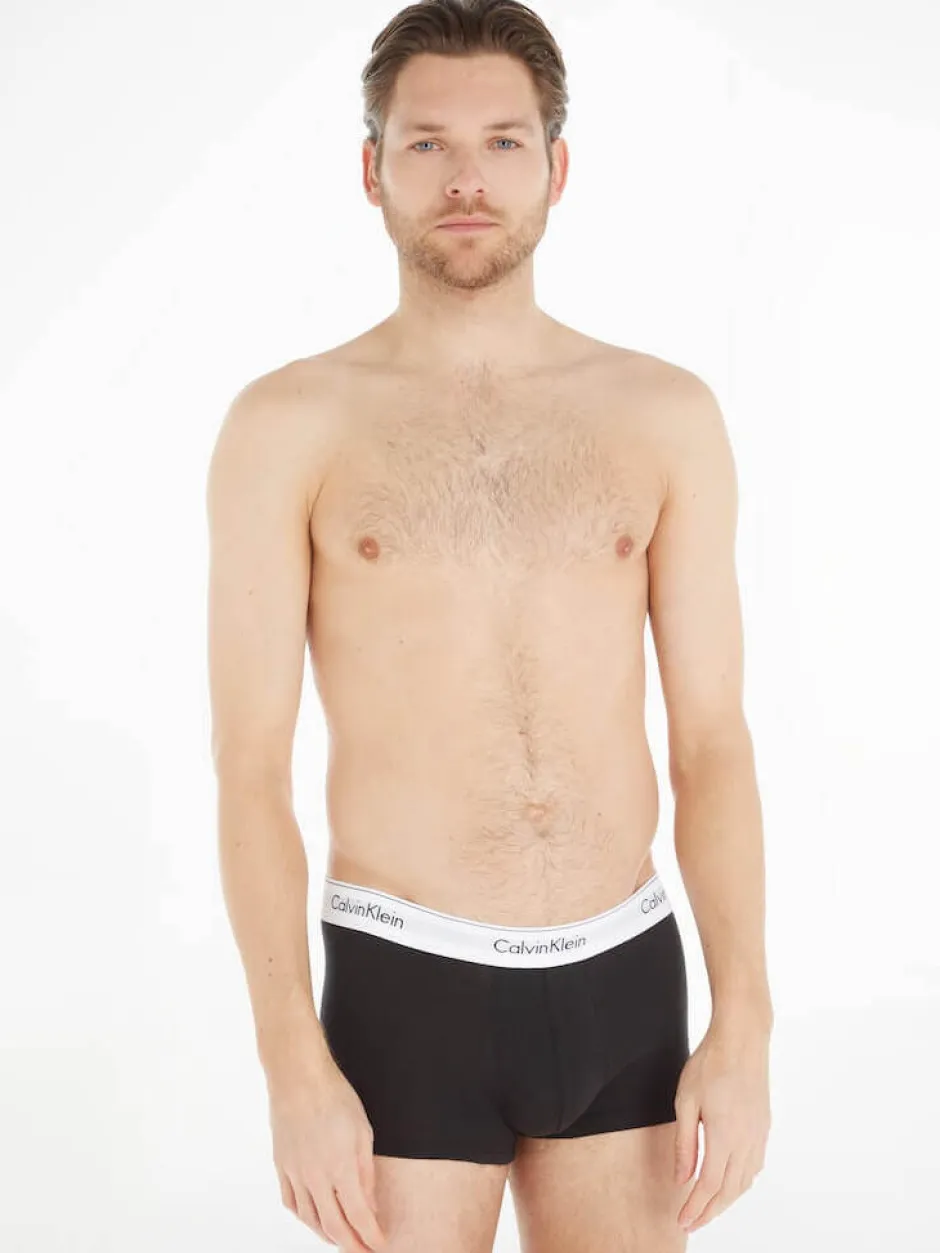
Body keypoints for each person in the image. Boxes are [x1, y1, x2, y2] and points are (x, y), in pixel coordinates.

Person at [206, 1, 773, 1249]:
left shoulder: (663, 413)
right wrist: (292, 1064)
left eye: (503, 142)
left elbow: (711, 739)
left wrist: (745, 1019)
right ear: (371, 170)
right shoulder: (288, 425)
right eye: (426, 143)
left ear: (556, 168)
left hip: (624, 974)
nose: (466, 177)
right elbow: (249, 767)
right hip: (404, 983)